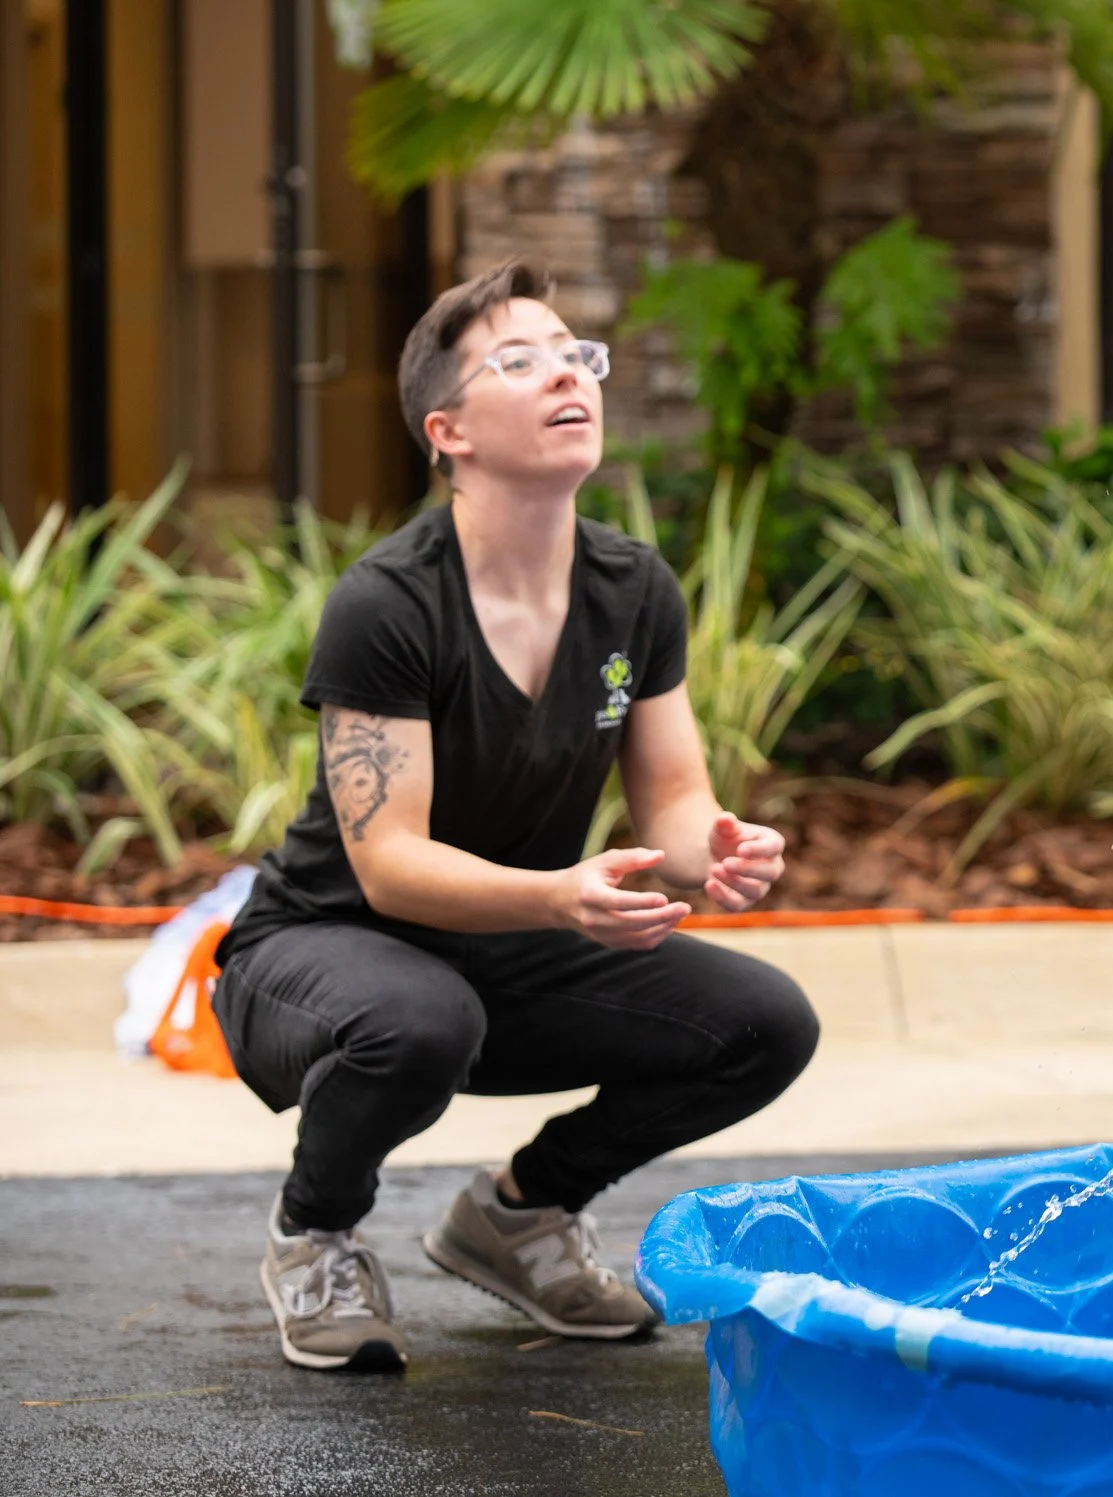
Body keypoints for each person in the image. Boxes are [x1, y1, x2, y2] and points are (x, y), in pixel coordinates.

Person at [212, 261, 820, 1372]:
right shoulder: (387, 605)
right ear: (449, 431)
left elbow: (674, 800)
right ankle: (317, 1234)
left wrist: (715, 847)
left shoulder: (635, 589)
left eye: (575, 354)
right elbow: (389, 864)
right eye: (518, 360)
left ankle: (522, 1213)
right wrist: (555, 898)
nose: (566, 375)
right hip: (320, 950)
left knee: (766, 1024)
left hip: (508, 949)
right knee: (420, 1019)